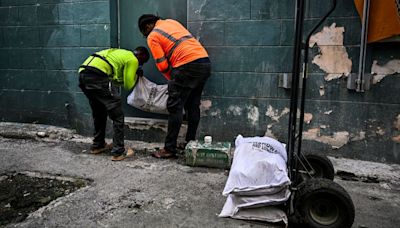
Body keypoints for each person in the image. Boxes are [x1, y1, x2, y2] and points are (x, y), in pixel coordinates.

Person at [138, 14, 211, 158]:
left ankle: (169, 149)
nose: (146, 35)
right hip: (204, 62)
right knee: (193, 105)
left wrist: (172, 80)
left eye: (144, 32)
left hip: (186, 65)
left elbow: (162, 65)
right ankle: (190, 143)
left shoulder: (153, 35)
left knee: (174, 106)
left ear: (147, 26)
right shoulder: (171, 22)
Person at [78, 47, 149, 161]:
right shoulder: (133, 60)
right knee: (118, 115)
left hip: (83, 75)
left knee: (99, 112)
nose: (140, 65)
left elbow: (115, 80)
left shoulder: (121, 53)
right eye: (142, 63)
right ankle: (119, 152)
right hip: (98, 76)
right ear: (141, 57)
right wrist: (136, 75)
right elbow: (128, 85)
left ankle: (98, 145)